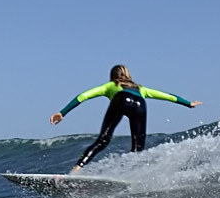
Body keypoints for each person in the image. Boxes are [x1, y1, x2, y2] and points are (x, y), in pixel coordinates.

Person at [50, 64, 201, 172]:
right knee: (138, 149)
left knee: (103, 140)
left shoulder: (110, 86)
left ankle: (76, 170)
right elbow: (167, 96)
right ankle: (131, 176)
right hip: (140, 105)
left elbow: (83, 96)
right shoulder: (141, 89)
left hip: (121, 99)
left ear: (113, 76)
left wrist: (62, 112)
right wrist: (188, 104)